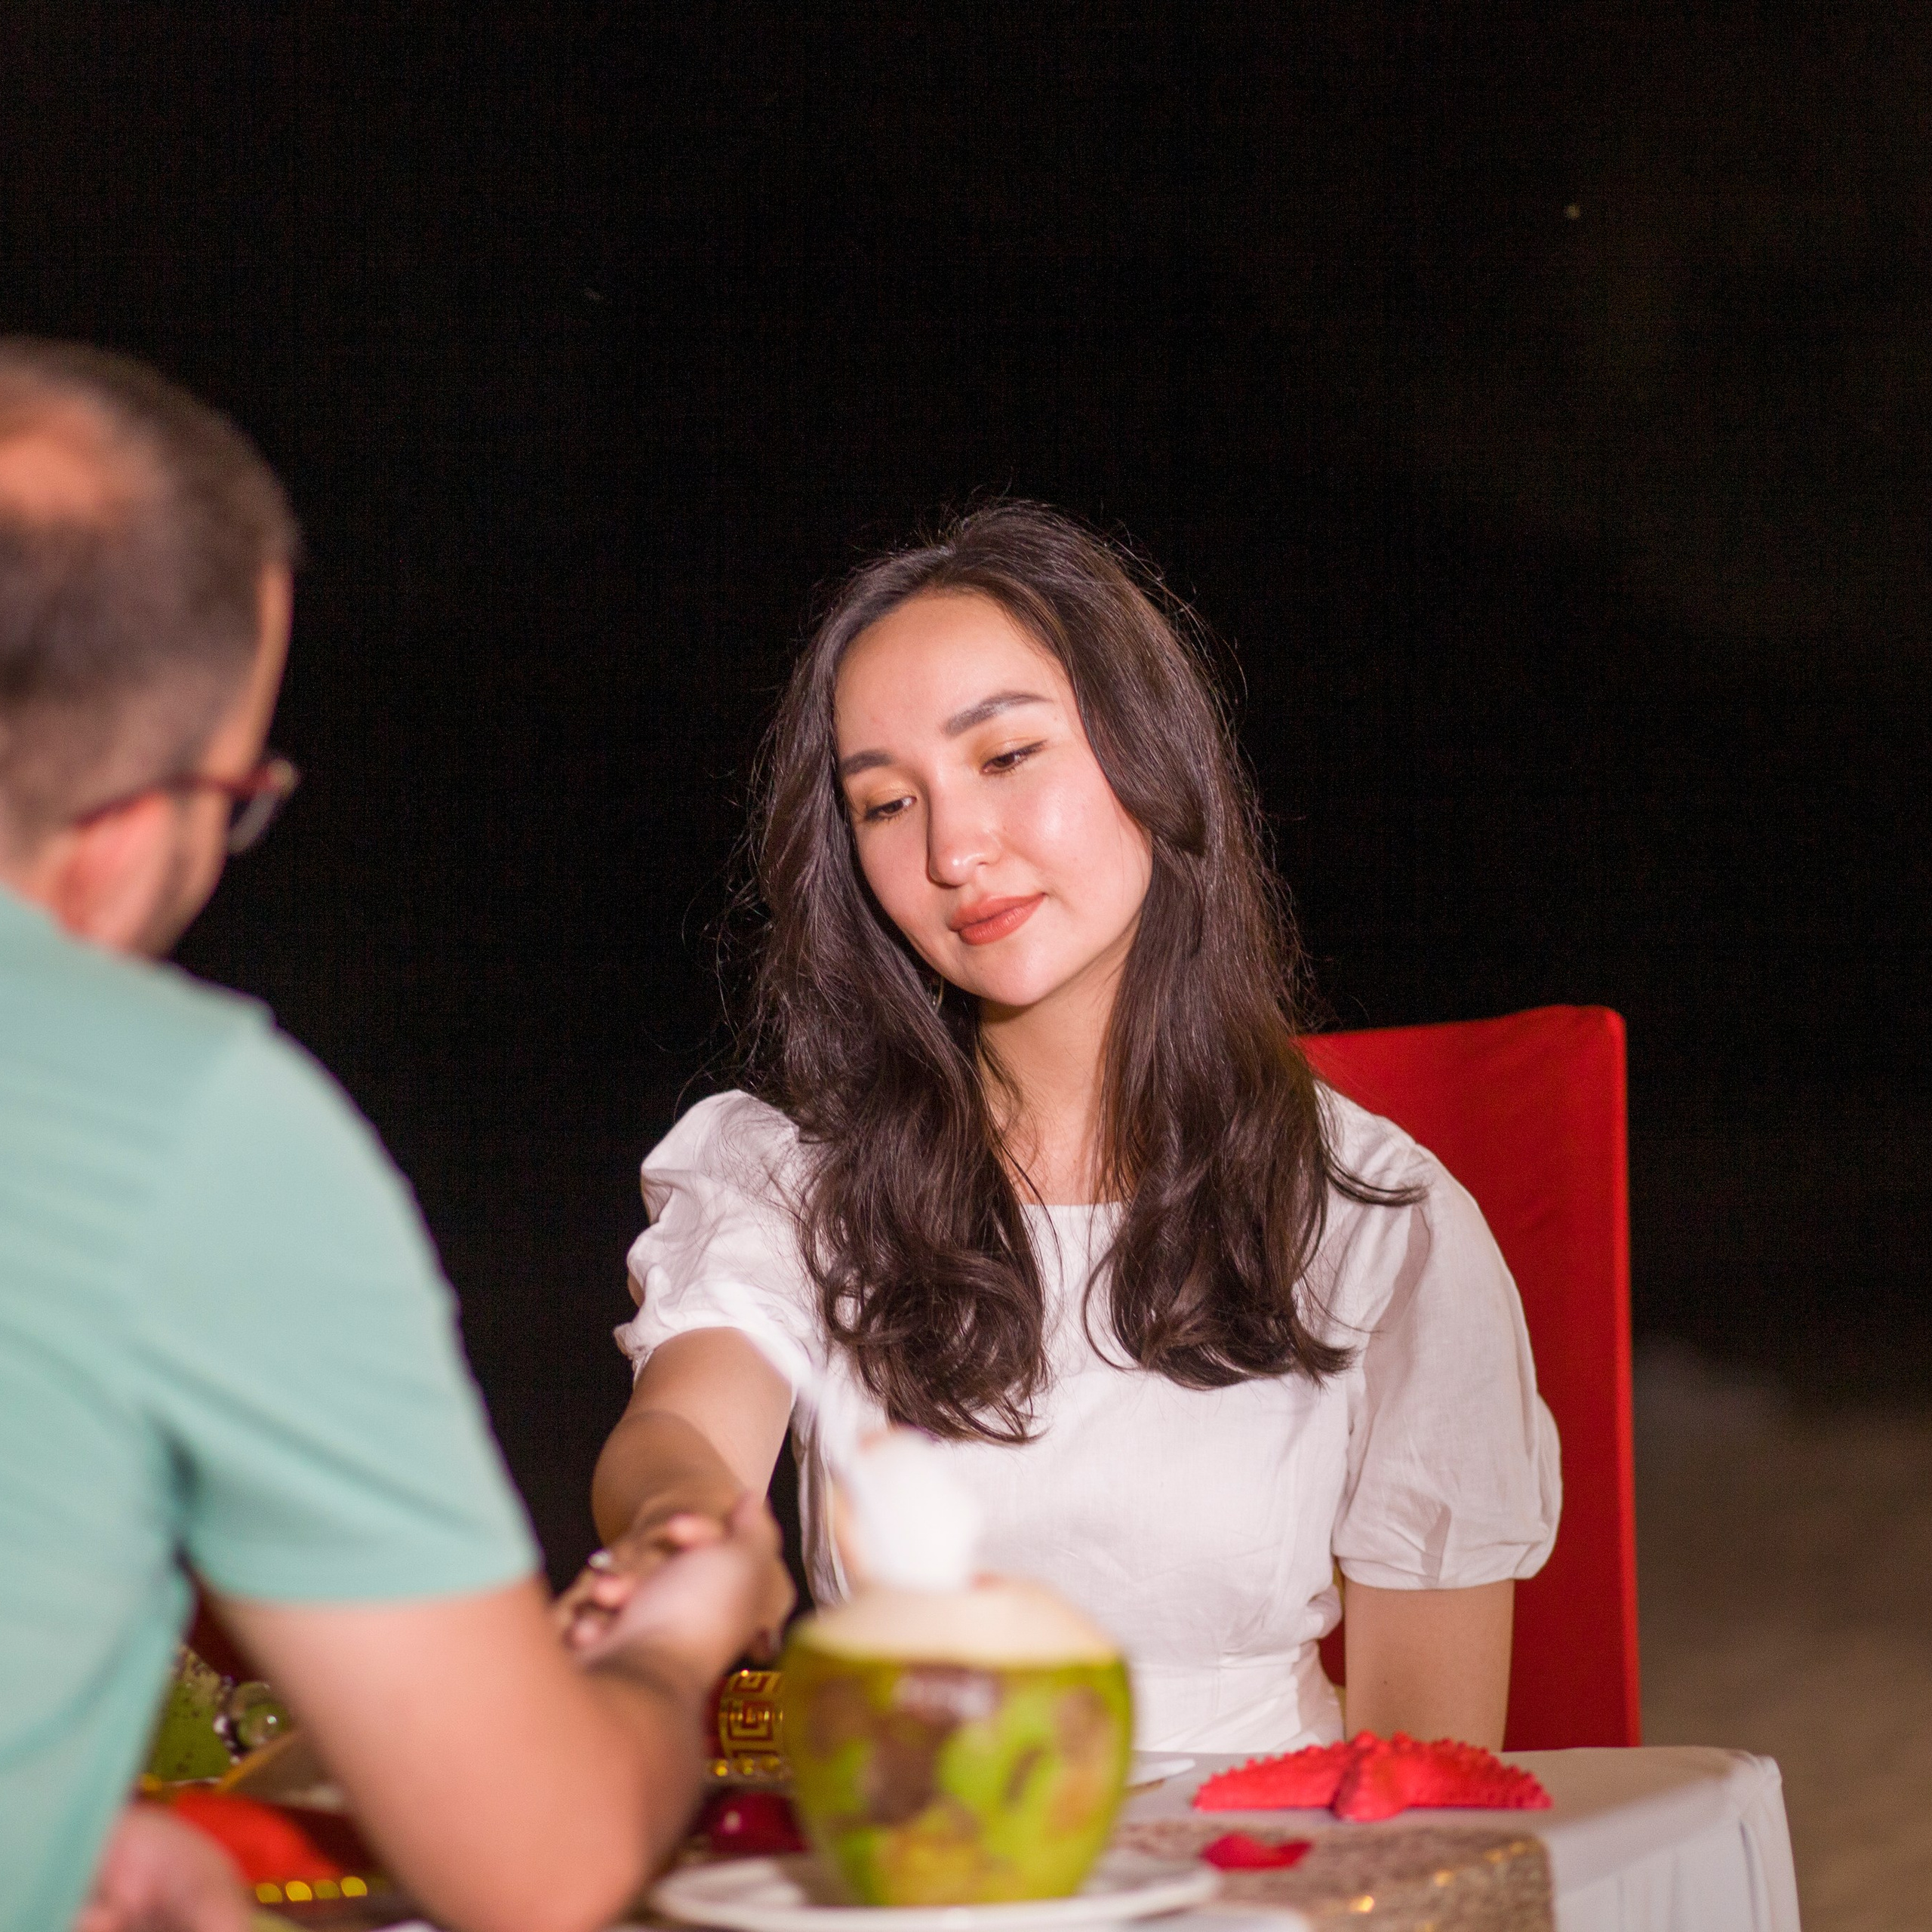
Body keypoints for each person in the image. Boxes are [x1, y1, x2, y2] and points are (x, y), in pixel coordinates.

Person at [0, 338, 790, 1932]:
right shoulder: (186, 1127)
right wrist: (678, 1636)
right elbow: (538, 1851)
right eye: (243, 797)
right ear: (144, 818)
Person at [564, 502, 1560, 1756]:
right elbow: (684, 1428)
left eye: (1006, 758)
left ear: (1150, 753)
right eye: (885, 804)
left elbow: (1430, 1783)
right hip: (922, 1861)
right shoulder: (800, 1182)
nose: (954, 849)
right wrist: (683, 1529)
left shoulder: (1372, 1222)